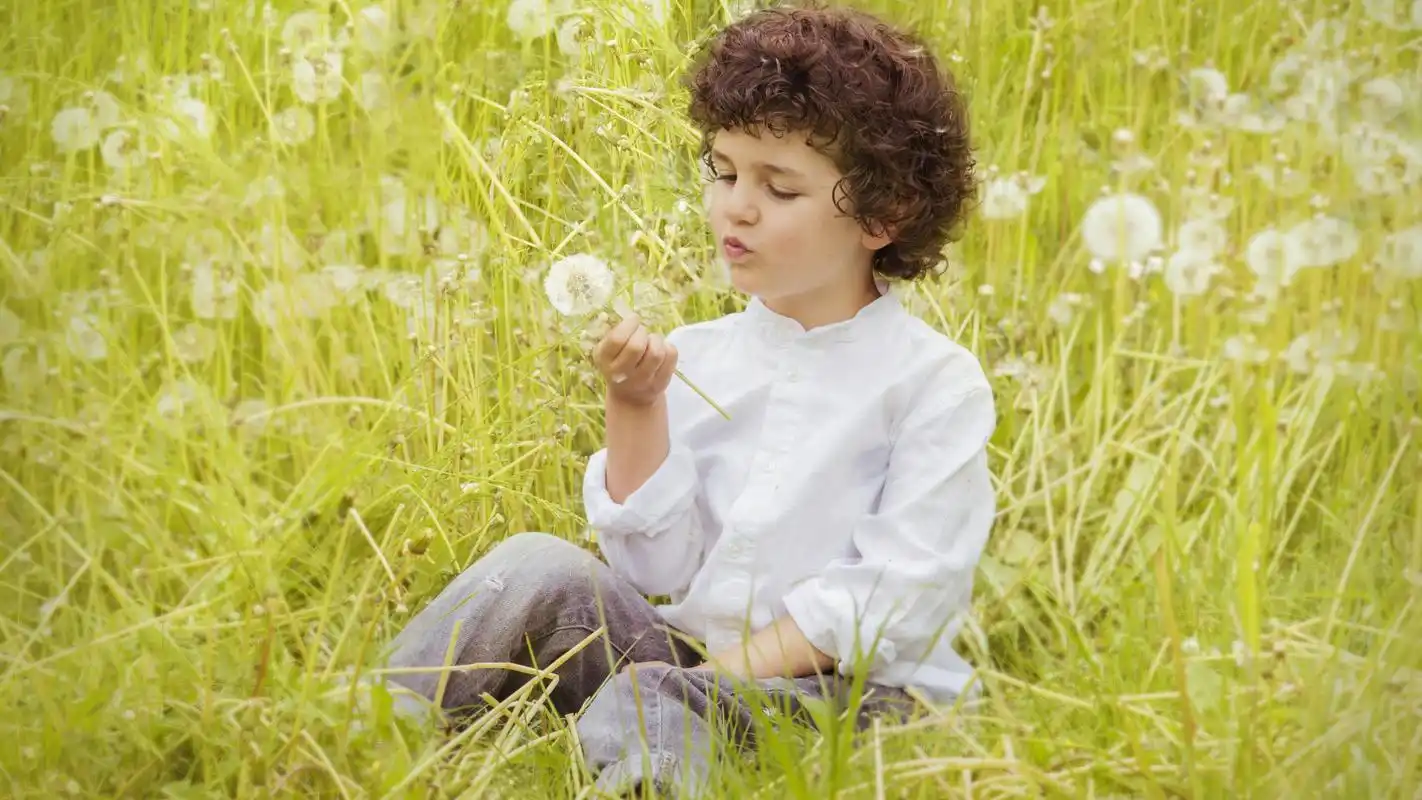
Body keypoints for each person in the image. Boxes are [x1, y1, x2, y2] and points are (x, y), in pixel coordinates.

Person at [379, 4, 993, 796]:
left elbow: (889, 597)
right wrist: (635, 406)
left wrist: (705, 678)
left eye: (779, 188)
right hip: (694, 666)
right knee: (538, 566)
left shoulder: (933, 384)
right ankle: (362, 727)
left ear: (885, 215)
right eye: (725, 173)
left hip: (851, 694)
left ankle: (651, 780)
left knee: (657, 695)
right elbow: (655, 568)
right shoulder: (701, 357)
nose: (736, 206)